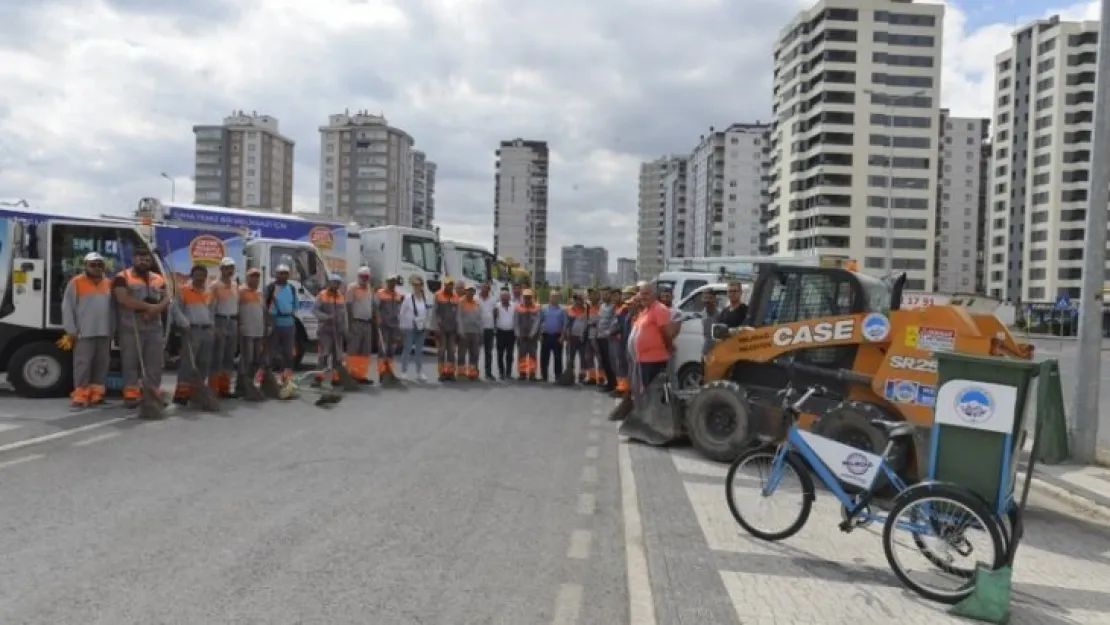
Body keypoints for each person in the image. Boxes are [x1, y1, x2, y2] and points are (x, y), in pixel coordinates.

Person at [114, 245, 172, 410]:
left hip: (154, 325)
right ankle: (131, 395)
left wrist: (155, 310)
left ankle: (152, 393)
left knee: (154, 363)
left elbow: (167, 299)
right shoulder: (122, 277)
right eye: (140, 258)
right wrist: (148, 307)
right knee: (131, 362)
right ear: (134, 259)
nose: (144, 261)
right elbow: (123, 300)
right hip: (131, 325)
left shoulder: (158, 279)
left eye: (147, 259)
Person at [61, 252, 113, 409]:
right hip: (84, 332)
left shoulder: (109, 283)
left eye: (100, 264)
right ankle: (80, 396)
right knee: (82, 364)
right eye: (93, 264)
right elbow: (67, 307)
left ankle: (96, 395)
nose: (97, 267)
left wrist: (114, 330)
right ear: (86, 266)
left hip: (104, 332)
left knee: (101, 364)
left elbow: (114, 310)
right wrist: (71, 329)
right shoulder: (76, 282)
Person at [173, 264, 216, 405]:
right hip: (191, 330)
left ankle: (197, 391)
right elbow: (175, 309)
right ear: (192, 276)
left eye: (202, 275)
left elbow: (212, 310)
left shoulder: (209, 291)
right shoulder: (183, 290)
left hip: (207, 330)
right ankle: (182, 394)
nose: (200, 278)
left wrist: (212, 326)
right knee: (188, 363)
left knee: (204, 362)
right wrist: (183, 323)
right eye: (197, 275)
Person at [632, 283, 677, 389]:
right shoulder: (646, 310)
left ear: (655, 295)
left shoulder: (660, 309)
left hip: (655, 360)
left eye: (646, 294)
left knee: (654, 393)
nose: (643, 296)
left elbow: (666, 333)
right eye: (641, 294)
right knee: (647, 391)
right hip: (644, 359)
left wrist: (668, 347)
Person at [208, 257, 239, 398]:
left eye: (231, 268)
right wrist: (213, 326)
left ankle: (224, 388)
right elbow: (211, 307)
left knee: (229, 356)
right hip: (220, 320)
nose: (229, 271)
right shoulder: (215, 285)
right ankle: (213, 388)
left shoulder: (234, 285)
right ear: (221, 269)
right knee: (217, 356)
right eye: (227, 268)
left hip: (232, 321)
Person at [264, 264, 298, 385]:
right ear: (276, 274)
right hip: (275, 322)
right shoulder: (272, 287)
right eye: (281, 273)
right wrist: (267, 323)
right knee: (271, 352)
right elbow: (265, 305)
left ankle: (286, 379)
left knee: (288, 353)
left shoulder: (291, 288)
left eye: (285, 273)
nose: (283, 276)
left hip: (288, 323)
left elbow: (295, 305)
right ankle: (268, 379)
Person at [312, 274, 348, 386]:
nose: (336, 285)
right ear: (329, 283)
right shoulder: (322, 295)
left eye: (338, 283)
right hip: (325, 331)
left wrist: (345, 329)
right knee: (324, 355)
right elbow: (315, 311)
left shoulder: (341, 296)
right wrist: (326, 317)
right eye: (334, 282)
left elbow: (344, 314)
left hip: (338, 331)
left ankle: (336, 378)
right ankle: (318, 378)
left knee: (338, 356)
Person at [236, 268, 267, 394]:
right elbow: (236, 310)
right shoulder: (240, 291)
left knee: (256, 360)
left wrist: (266, 327)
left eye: (257, 277)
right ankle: (240, 386)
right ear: (247, 278)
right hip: (247, 331)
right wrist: (239, 325)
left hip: (258, 331)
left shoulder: (260, 293)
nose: (255, 279)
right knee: (246, 359)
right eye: (252, 276)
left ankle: (250, 385)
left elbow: (263, 312)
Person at [345, 266, 375, 384]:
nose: (365, 279)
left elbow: (370, 305)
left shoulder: (369, 288)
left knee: (365, 351)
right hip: (356, 322)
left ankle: (361, 375)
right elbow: (348, 306)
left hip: (367, 323)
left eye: (367, 277)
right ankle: (351, 374)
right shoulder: (352, 288)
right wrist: (350, 324)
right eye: (363, 277)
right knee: (354, 350)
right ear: (358, 276)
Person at [399, 274, 430, 381]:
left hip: (421, 327)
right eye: (414, 285)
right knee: (407, 349)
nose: (416, 287)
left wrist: (427, 325)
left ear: (422, 286)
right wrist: (402, 326)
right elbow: (402, 312)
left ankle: (419, 372)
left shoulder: (425, 298)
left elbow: (427, 312)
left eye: (418, 285)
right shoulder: (408, 298)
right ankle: (403, 371)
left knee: (419, 350)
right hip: (410, 326)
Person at [375, 274, 405, 380]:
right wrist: (378, 318)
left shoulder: (398, 295)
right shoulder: (380, 293)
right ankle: (382, 372)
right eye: (390, 281)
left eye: (393, 282)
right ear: (386, 282)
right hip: (384, 325)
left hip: (395, 326)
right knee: (383, 349)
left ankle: (390, 371)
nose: (392, 284)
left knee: (392, 349)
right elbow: (376, 308)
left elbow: (401, 310)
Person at [609, 286, 637, 397]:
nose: (626, 297)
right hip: (621, 340)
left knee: (625, 365)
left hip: (626, 341)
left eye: (628, 295)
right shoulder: (623, 309)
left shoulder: (627, 310)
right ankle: (621, 387)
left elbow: (619, 325)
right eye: (625, 294)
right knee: (620, 364)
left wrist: (611, 332)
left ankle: (625, 388)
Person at [434, 277, 460, 381]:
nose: (449, 286)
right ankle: (441, 373)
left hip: (453, 329)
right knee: (441, 351)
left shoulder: (456, 297)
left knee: (451, 351)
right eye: (447, 284)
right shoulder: (438, 295)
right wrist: (436, 327)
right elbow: (435, 313)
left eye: (451, 285)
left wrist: (459, 328)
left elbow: (458, 314)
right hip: (442, 329)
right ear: (444, 285)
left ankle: (450, 372)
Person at [538, 291, 566, 382]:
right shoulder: (543, 308)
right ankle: (544, 376)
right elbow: (539, 321)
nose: (554, 298)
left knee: (558, 357)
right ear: (549, 297)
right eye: (552, 296)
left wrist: (562, 336)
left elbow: (564, 324)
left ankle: (558, 376)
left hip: (557, 336)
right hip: (545, 335)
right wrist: (539, 334)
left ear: (558, 298)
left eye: (556, 296)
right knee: (544, 357)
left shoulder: (562, 310)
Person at [457, 283, 483, 380]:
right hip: (464, 332)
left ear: (474, 292)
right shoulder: (460, 302)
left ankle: (472, 373)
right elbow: (458, 317)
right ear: (465, 291)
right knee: (462, 353)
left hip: (475, 332)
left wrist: (481, 332)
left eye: (472, 291)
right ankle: (461, 373)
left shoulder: (477, 302)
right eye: (468, 290)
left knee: (474, 353)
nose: (470, 292)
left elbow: (480, 319)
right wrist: (460, 331)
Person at [514, 289, 541, 381]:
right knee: (522, 355)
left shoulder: (536, 307)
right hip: (521, 336)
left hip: (532, 337)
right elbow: (516, 322)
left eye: (529, 297)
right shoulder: (518, 308)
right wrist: (517, 334)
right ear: (523, 298)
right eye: (525, 297)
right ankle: (522, 373)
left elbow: (537, 322)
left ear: (532, 298)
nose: (527, 299)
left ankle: (532, 374)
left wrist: (532, 333)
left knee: (532, 356)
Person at [595, 288, 617, 393]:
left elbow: (614, 321)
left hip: (608, 338)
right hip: (600, 337)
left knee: (610, 362)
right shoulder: (602, 306)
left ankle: (613, 384)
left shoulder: (614, 306)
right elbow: (600, 320)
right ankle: (609, 382)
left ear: (610, 295)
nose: (603, 296)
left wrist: (609, 332)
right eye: (602, 294)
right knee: (604, 361)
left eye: (606, 294)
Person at [564, 292, 590, 384]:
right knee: (570, 357)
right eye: (577, 299)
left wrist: (584, 335)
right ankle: (571, 375)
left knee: (583, 357)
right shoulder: (569, 309)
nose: (579, 301)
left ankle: (582, 375)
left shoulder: (586, 310)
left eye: (580, 299)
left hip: (582, 337)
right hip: (571, 337)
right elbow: (566, 324)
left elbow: (587, 324)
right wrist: (565, 335)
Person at [492, 287, 516, 380]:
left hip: (511, 333)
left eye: (506, 296)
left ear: (509, 297)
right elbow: (493, 318)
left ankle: (509, 372)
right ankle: (501, 373)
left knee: (510, 354)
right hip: (500, 332)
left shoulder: (514, 306)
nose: (505, 298)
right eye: (503, 297)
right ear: (500, 298)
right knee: (500, 354)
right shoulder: (496, 306)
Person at [478, 282, 497, 380]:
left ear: (489, 289)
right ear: (481, 288)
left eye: (487, 288)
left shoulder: (493, 299)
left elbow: (495, 313)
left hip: (489, 328)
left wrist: (495, 327)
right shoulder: (476, 298)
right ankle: (474, 372)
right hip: (478, 329)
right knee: (476, 351)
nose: (485, 289)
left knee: (488, 352)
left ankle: (488, 373)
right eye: (484, 287)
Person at [701, 288, 720, 355]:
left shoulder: (720, 314)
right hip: (706, 351)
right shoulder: (703, 312)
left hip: (718, 351)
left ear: (715, 299)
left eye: (710, 298)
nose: (707, 300)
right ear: (702, 299)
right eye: (705, 298)